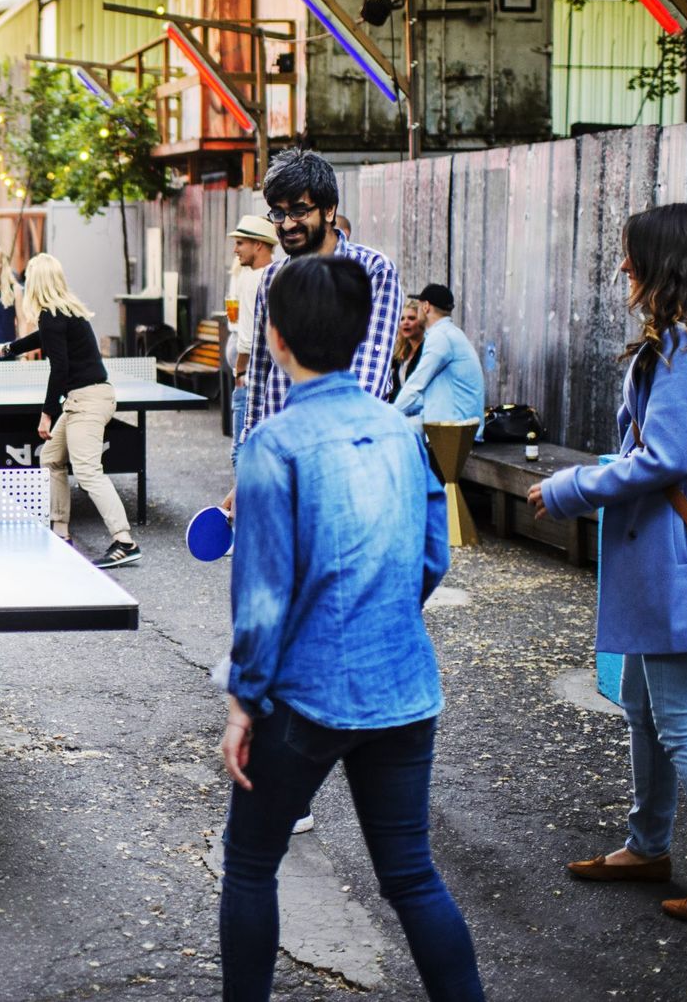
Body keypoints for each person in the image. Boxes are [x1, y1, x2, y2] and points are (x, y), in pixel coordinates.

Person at [218, 254, 483, 1000]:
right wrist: (382, 612)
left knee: (249, 866)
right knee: (411, 879)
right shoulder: (402, 432)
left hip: (304, 697)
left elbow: (263, 597)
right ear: (365, 330)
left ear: (274, 337)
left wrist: (243, 702)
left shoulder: (273, 444)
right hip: (405, 684)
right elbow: (433, 556)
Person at [529, 202, 687, 932]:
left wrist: (569, 487)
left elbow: (661, 460)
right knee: (641, 705)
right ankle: (648, 845)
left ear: (668, 262)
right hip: (663, 564)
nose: (623, 266)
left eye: (633, 254)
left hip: (678, 564)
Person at [235, 150, 402, 475]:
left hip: (346, 455)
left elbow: (370, 373)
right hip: (274, 456)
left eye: (299, 210)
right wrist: (248, 464)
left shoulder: (373, 270)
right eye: (278, 214)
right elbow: (259, 372)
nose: (287, 224)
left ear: (329, 210)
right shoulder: (271, 277)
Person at [0, 253, 140, 570]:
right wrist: (8, 349)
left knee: (87, 471)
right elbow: (44, 338)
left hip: (87, 401)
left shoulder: (52, 315)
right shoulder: (65, 311)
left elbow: (59, 369)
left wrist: (46, 413)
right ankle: (60, 531)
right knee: (51, 457)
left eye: (29, 277)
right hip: (83, 399)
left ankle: (125, 541)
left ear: (37, 282)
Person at [392, 284, 485, 430]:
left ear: (426, 306)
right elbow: (426, 397)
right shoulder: (451, 333)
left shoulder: (440, 337)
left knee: (391, 432)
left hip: (454, 430)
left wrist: (388, 415)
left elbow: (416, 385)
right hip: (456, 422)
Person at [225, 215, 278, 468]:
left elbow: (248, 338)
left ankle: (243, 507)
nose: (235, 249)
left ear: (259, 245)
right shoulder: (269, 274)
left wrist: (240, 371)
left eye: (240, 243)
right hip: (266, 376)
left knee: (241, 452)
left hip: (250, 377)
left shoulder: (255, 279)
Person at [387, 296, 427, 404]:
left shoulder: (426, 349)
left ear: (421, 321)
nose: (406, 322)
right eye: (402, 318)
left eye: (411, 318)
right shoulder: (399, 353)